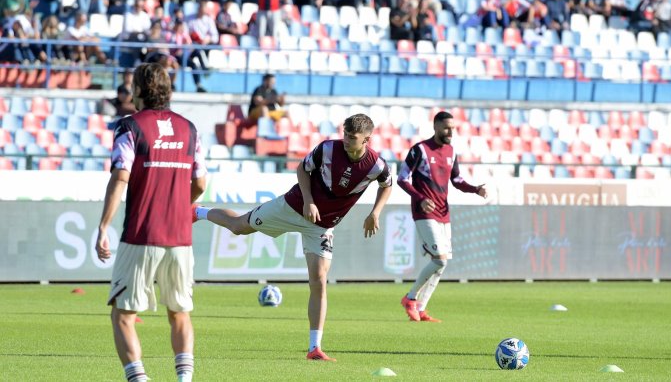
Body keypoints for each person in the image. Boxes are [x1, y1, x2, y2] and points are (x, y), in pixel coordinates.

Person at [193, 113, 393, 361]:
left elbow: (387, 184)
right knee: (238, 226)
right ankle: (198, 211)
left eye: (352, 138)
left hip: (322, 226)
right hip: (292, 207)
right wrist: (309, 201)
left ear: (367, 140)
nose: (346, 140)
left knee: (318, 279)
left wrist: (375, 213)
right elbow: (302, 169)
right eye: (345, 134)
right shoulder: (327, 149)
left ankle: (314, 348)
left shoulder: (376, 165)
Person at [95, 62, 208, 382]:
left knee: (123, 315)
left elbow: (120, 176)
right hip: (180, 238)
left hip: (142, 235)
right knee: (180, 313)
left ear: (139, 90)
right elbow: (200, 184)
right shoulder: (189, 128)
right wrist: (175, 206)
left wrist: (104, 226)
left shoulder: (129, 126)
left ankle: (139, 379)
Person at [397, 111, 487, 322]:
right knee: (440, 260)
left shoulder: (451, 151)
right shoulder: (420, 150)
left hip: (444, 214)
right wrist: (420, 198)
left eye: (453, 128)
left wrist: (475, 189)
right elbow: (402, 179)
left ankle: (420, 308)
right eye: (446, 127)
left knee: (441, 265)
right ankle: (410, 298)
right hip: (424, 212)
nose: (450, 132)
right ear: (436, 126)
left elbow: (457, 180)